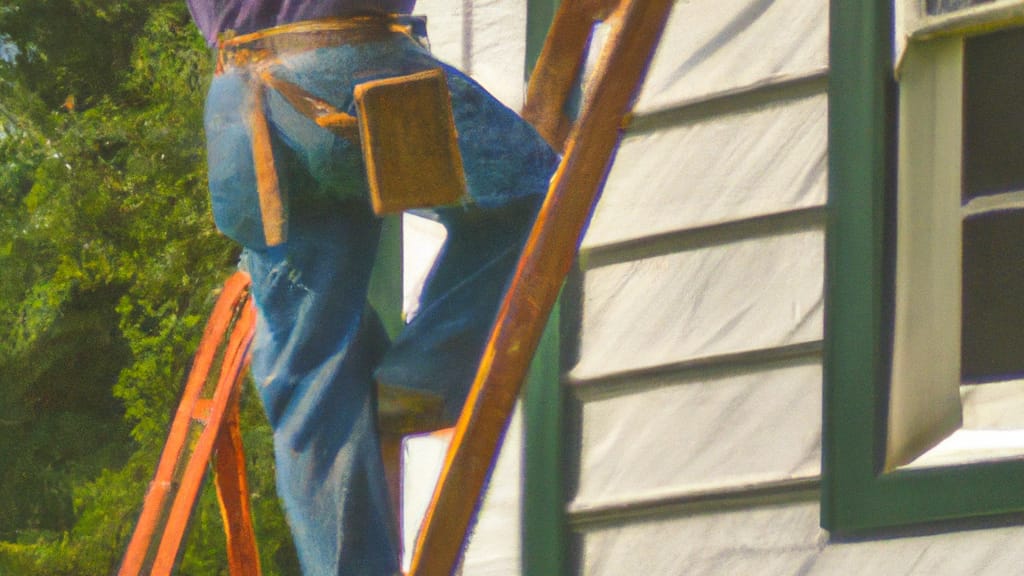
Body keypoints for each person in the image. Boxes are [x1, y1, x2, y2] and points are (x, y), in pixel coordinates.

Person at [186, 1, 559, 574]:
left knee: (313, 370)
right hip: (356, 65)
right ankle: (420, 378)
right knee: (530, 196)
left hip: (240, 101)